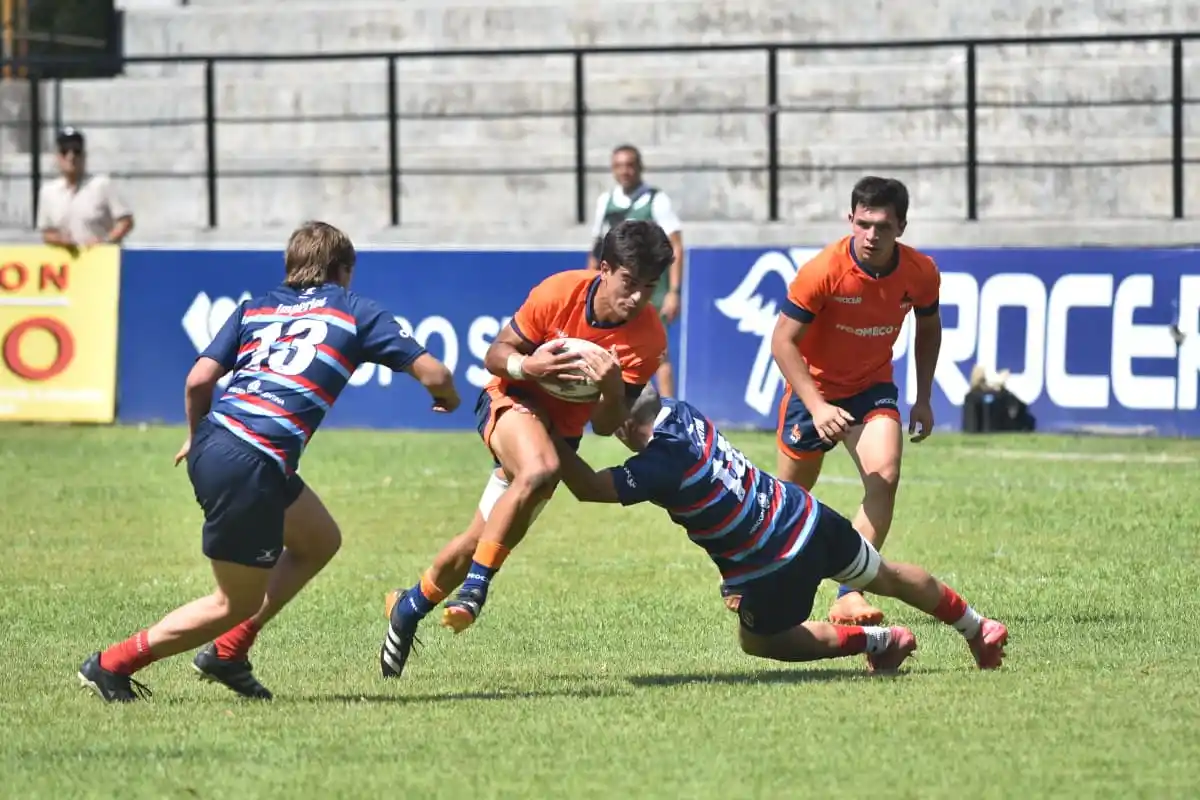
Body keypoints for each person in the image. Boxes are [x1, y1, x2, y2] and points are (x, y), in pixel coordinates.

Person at [77, 221, 460, 703]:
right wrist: (446, 398)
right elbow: (436, 373)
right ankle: (112, 664)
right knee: (232, 603)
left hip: (222, 443)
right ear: (343, 270)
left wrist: (194, 435)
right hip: (252, 461)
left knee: (319, 540)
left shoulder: (254, 308)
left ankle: (229, 652)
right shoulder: (354, 311)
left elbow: (198, 381)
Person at [379, 219, 672, 679]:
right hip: (511, 398)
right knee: (540, 470)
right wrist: (527, 365)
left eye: (649, 286)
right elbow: (496, 354)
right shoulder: (559, 292)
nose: (637, 297)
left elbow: (603, 426)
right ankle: (475, 591)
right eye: (629, 282)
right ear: (604, 269)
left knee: (480, 539)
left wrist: (613, 388)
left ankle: (408, 606)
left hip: (562, 432)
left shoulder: (649, 337)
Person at [550, 384, 1008, 672]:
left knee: (759, 640)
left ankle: (881, 642)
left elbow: (588, 487)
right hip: (805, 514)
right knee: (885, 575)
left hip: (774, 562)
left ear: (626, 426)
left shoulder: (659, 464)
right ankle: (977, 627)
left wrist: (548, 438)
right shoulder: (681, 411)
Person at [766, 176, 942, 626]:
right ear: (851, 220)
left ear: (901, 227)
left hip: (871, 387)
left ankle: (849, 593)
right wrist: (818, 406)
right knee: (788, 499)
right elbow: (782, 342)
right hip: (814, 392)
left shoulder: (920, 272)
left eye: (883, 226)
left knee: (884, 478)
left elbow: (928, 328)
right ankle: (750, 573)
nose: (871, 235)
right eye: (864, 224)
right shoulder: (823, 271)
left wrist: (923, 398)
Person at [586, 144, 684, 397]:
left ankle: (668, 409)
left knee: (659, 353)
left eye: (630, 165)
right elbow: (597, 247)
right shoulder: (606, 201)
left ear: (640, 167)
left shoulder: (655, 200)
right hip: (615, 288)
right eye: (619, 166)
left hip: (650, 289)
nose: (625, 171)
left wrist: (674, 291)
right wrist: (589, 282)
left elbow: (676, 244)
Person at [38, 127, 135, 248]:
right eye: (65, 151)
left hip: (100, 257)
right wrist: (60, 240)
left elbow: (126, 221)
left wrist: (106, 241)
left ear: (84, 156)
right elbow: (46, 232)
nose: (71, 157)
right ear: (57, 157)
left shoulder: (102, 185)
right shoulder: (48, 191)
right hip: (68, 258)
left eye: (76, 151)